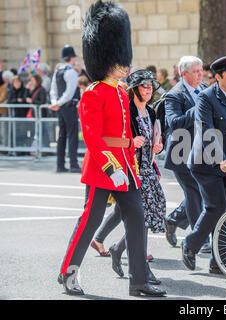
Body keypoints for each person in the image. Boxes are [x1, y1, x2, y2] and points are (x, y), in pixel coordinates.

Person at [57, 0, 165, 297]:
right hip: (102, 170)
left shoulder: (120, 92)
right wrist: (111, 166)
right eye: (120, 60)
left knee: (137, 217)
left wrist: (133, 153)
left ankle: (139, 281)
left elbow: (125, 134)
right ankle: (68, 272)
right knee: (89, 223)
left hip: (125, 168)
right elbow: (94, 138)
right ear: (106, 58)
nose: (125, 65)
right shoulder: (93, 93)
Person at [182, 55, 226, 274]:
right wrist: (221, 158)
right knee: (215, 207)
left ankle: (219, 262)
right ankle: (190, 244)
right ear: (218, 77)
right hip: (206, 162)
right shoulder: (206, 97)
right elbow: (207, 131)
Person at [107, 69, 166, 282]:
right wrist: (131, 144)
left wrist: (158, 146)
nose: (149, 90)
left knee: (146, 220)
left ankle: (117, 248)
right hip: (131, 172)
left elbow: (153, 141)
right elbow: (112, 139)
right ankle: (142, 271)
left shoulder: (151, 112)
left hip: (147, 170)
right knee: (139, 221)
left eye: (151, 86)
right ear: (134, 89)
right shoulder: (127, 111)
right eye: (144, 86)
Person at [164, 56, 210, 253]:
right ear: (184, 74)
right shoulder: (174, 95)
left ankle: (173, 220)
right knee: (194, 192)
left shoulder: (205, 89)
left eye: (201, 71)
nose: (201, 74)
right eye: (196, 71)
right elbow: (174, 122)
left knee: (201, 192)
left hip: (202, 150)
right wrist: (198, 108)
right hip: (180, 152)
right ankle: (201, 238)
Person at [49, 45, 81, 173]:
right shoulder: (71, 72)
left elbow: (53, 90)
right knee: (72, 136)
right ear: (72, 58)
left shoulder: (58, 71)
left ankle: (60, 164)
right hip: (69, 107)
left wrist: (55, 103)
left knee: (62, 135)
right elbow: (69, 92)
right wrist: (59, 103)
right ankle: (73, 163)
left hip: (61, 107)